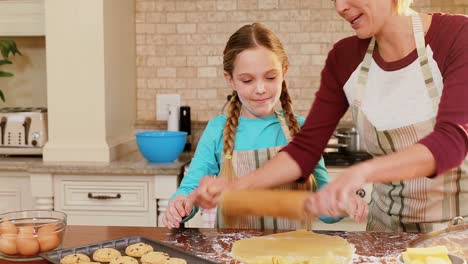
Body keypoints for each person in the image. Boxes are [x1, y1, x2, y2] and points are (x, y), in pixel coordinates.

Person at [193, 0, 468, 232]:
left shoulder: (459, 36)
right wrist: (233, 187)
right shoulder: (345, 58)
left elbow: (451, 142)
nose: (339, 6)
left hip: (454, 235)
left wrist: (362, 172)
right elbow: (305, 149)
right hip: (384, 233)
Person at [162, 23, 367, 230]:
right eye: (247, 80)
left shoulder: (302, 130)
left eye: (270, 77)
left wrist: (342, 203)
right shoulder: (218, 130)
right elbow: (190, 188)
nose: (260, 89)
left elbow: (324, 204)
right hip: (233, 257)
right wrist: (181, 203)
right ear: (230, 80)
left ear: (284, 71)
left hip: (294, 256)